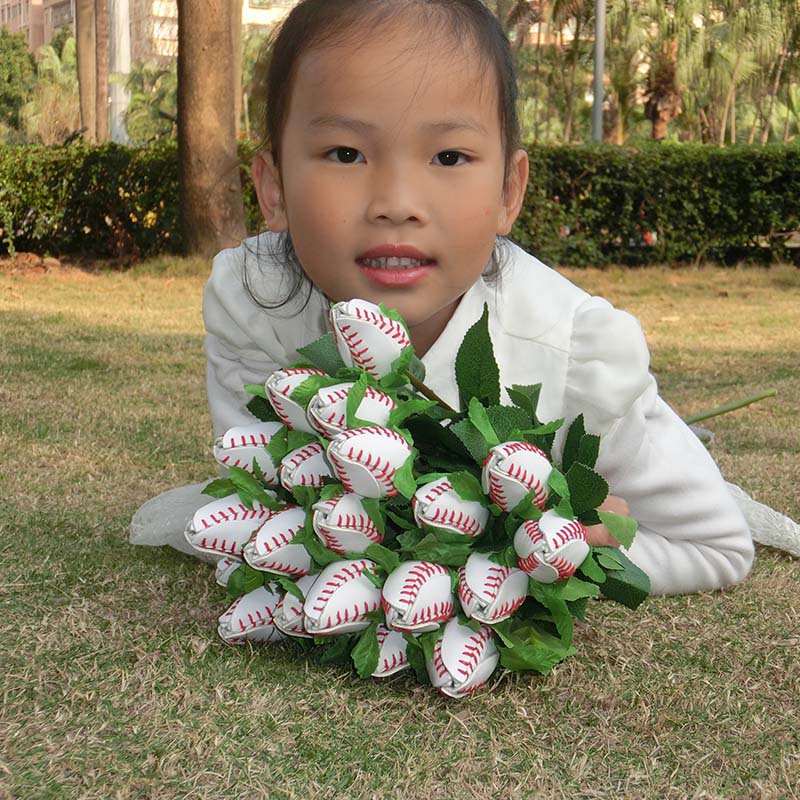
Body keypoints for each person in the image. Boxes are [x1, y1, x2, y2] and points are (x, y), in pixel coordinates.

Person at [131, 0, 799, 595]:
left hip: (594, 426)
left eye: (448, 157)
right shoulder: (254, 304)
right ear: (273, 187)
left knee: (644, 453)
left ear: (509, 190)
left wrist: (551, 560)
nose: (396, 204)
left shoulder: (576, 354)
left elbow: (717, 546)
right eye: (344, 153)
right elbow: (272, 499)